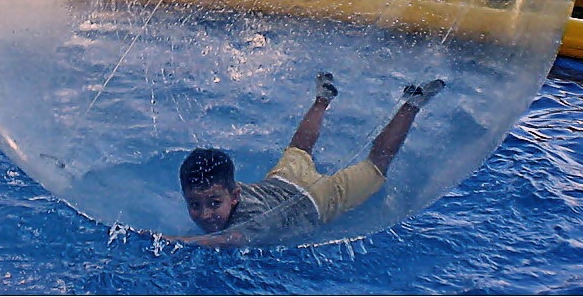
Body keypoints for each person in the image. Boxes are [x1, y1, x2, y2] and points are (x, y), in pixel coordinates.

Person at [174, 72, 445, 247]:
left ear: (235, 195)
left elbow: (228, 240)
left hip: (319, 200)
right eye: (195, 205)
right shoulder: (226, 187)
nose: (206, 214)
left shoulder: (249, 221)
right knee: (299, 148)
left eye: (213, 203)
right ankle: (322, 99)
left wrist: (173, 240)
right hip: (283, 179)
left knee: (377, 164)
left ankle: (412, 105)